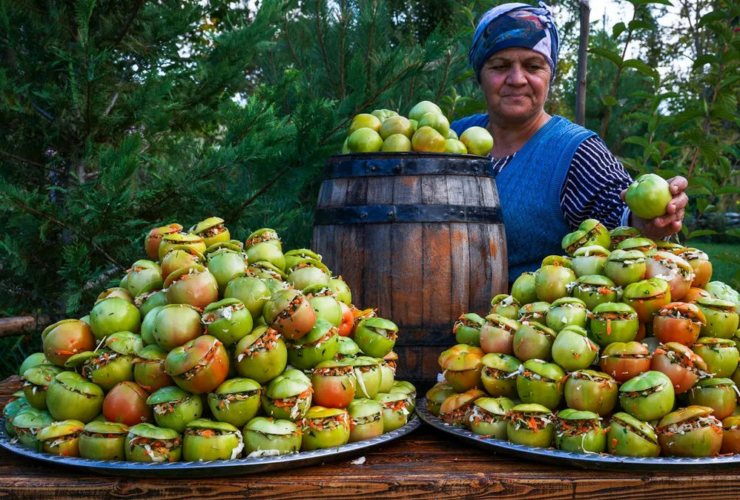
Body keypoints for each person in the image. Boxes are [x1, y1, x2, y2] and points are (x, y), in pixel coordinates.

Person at [450, 2, 688, 277]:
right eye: (500, 66)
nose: (517, 79)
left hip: (530, 316)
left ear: (550, 74)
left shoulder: (574, 151)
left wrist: (650, 217)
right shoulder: (455, 138)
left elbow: (621, 216)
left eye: (533, 65)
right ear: (480, 74)